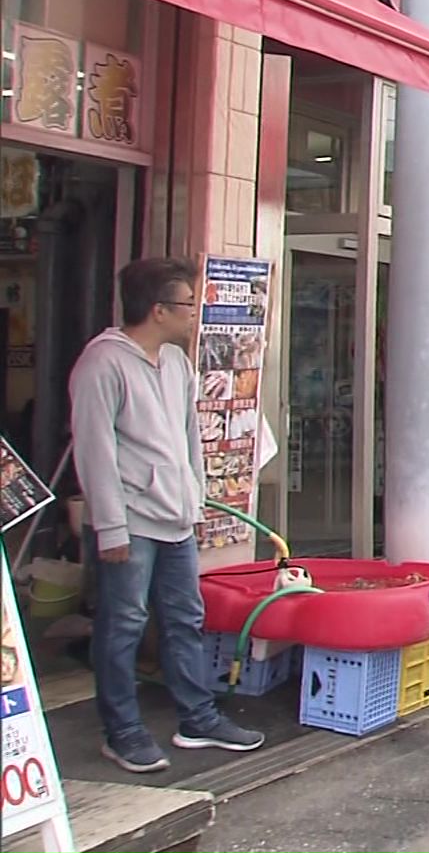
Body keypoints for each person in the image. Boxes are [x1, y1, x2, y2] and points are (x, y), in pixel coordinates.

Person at [69, 258, 264, 773]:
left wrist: (194, 500)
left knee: (185, 619)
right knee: (123, 624)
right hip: (129, 520)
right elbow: (94, 451)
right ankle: (122, 731)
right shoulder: (102, 364)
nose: (194, 313)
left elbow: (187, 441)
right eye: (187, 304)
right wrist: (109, 525)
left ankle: (197, 717)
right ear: (158, 310)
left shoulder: (177, 364)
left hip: (175, 517)